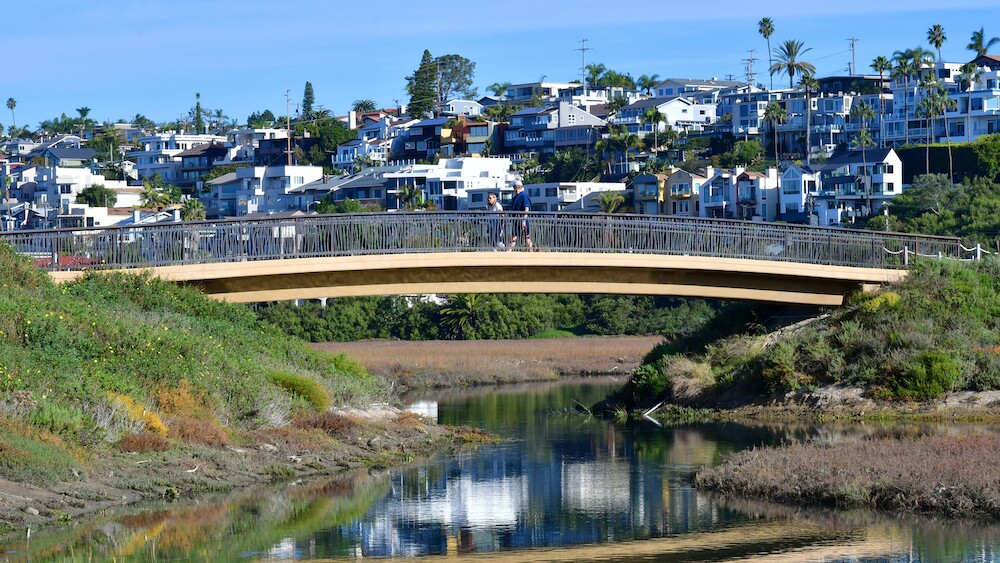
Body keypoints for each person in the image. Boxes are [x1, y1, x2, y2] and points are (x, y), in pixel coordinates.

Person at [509, 179, 533, 250]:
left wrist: (524, 220)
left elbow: (526, 208)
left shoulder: (523, 195)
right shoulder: (516, 197)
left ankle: (531, 250)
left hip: (522, 219)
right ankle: (509, 250)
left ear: (516, 187)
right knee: (515, 236)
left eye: (514, 187)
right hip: (516, 219)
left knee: (527, 236)